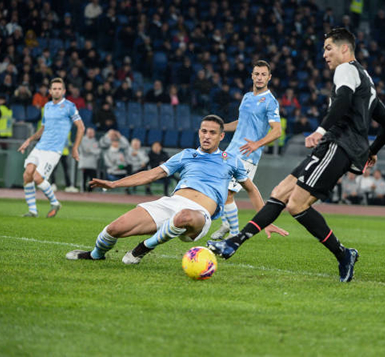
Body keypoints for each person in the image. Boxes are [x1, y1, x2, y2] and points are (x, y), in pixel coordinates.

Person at [207, 28, 385, 283]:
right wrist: (371, 152)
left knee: (296, 204)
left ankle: (343, 254)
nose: (324, 54)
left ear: (344, 48)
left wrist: (320, 130)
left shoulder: (346, 69)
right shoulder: (366, 79)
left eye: (328, 47)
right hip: (337, 146)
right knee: (280, 192)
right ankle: (234, 243)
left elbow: (342, 100)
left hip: (337, 144)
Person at [65, 115, 287, 263]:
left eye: (212, 132)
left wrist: (264, 221)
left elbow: (251, 189)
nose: (207, 136)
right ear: (199, 132)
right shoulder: (186, 155)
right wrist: (114, 183)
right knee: (114, 228)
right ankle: (95, 255)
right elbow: (152, 174)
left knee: (183, 217)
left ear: (221, 136)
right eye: (203, 131)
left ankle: (142, 249)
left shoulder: (232, 160)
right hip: (170, 203)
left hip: (199, 215)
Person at [210, 60, 282, 241]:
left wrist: (257, 144)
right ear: (252, 75)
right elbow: (241, 123)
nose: (259, 77)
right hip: (232, 150)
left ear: (269, 77)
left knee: (228, 193)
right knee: (220, 190)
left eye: (263, 74)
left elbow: (277, 130)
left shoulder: (270, 102)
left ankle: (233, 234)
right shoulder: (247, 97)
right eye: (256, 74)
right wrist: (221, 128)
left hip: (248, 154)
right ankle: (227, 224)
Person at [18, 78, 85, 218]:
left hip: (54, 150)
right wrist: (29, 140)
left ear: (64, 91)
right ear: (50, 91)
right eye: (54, 88)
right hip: (40, 146)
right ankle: (33, 211)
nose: (56, 91)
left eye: (59, 89)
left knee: (37, 177)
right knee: (27, 174)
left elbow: (81, 127)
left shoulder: (69, 106)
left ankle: (55, 202)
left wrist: (75, 148)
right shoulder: (47, 106)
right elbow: (43, 128)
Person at [79, 127, 101, 192]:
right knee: (84, 178)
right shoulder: (82, 140)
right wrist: (93, 151)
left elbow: (98, 152)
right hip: (84, 163)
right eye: (89, 133)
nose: (91, 134)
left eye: (92, 133)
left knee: (93, 179)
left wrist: (91, 150)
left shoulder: (95, 141)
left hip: (93, 164)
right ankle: (83, 191)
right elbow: (85, 151)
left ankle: (89, 192)